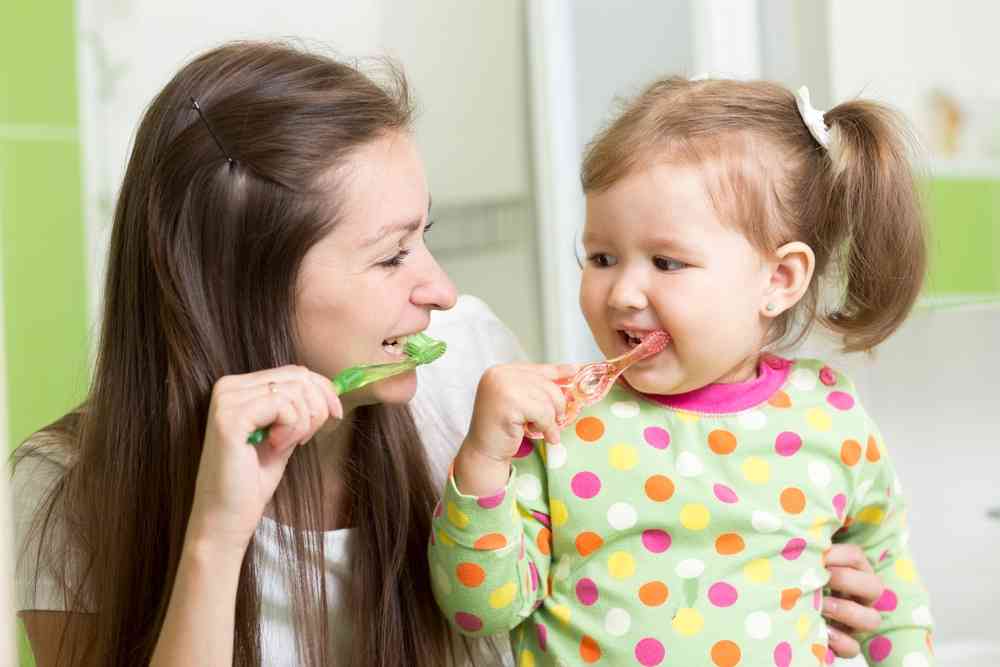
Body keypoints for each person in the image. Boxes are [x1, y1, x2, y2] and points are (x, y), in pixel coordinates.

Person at [11, 43, 887, 667]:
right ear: (244, 286)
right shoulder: (70, 485)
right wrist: (216, 534)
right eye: (392, 255)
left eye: (422, 236)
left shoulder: (468, 368)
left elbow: (610, 552)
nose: (436, 286)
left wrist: (771, 561)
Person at [429, 76, 934, 667]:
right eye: (601, 258)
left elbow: (893, 606)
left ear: (779, 280)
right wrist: (483, 462)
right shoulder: (562, 419)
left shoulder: (832, 419)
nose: (622, 292)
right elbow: (479, 611)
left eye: (666, 262)